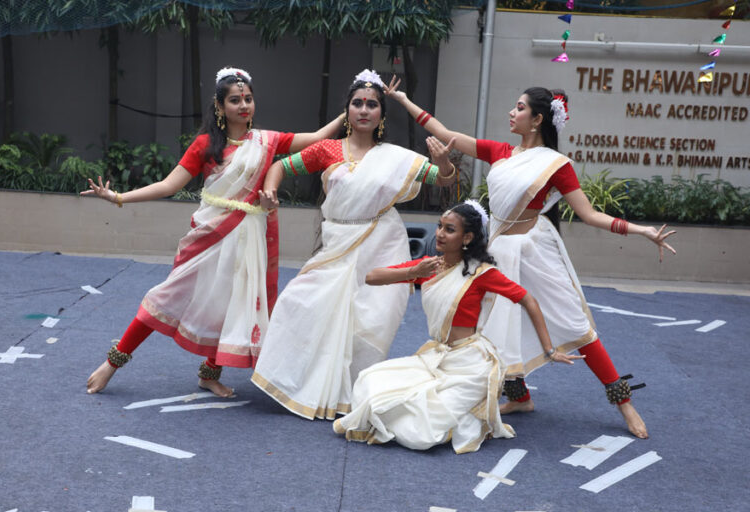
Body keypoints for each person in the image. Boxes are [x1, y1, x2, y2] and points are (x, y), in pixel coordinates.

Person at [386, 78, 676, 439]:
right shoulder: (500, 152)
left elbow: (589, 214)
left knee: (575, 325)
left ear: (537, 120)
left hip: (536, 251)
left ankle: (624, 402)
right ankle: (520, 397)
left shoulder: (556, 165)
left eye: (520, 108)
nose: (512, 112)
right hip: (498, 249)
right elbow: (446, 135)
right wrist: (404, 100)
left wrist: (642, 231)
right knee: (495, 325)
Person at [82, 67, 342, 397]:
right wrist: (119, 197)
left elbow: (317, 138)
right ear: (219, 106)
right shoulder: (205, 145)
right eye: (235, 100)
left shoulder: (267, 141)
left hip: (249, 237)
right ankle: (112, 364)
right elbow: (169, 185)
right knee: (166, 296)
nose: (243, 105)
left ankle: (209, 374)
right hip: (209, 236)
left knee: (232, 303)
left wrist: (346, 113)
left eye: (248, 99)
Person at [251, 69, 458, 420]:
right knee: (298, 301)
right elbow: (281, 167)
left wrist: (445, 164)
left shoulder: (396, 157)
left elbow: (443, 180)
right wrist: (270, 190)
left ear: (381, 114)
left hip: (382, 243)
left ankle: (350, 392)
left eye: (372, 104)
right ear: (347, 109)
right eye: (357, 103)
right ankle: (301, 382)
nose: (364, 110)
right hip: (337, 243)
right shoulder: (328, 149)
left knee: (369, 320)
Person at [333, 201, 583, 453]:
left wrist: (550, 350)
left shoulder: (481, 273)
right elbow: (372, 277)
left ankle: (467, 413)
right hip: (435, 358)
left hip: (470, 366)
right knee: (369, 380)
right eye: (440, 226)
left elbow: (528, 300)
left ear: (467, 237)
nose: (440, 234)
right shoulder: (429, 266)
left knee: (419, 435)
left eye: (449, 229)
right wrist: (413, 271)